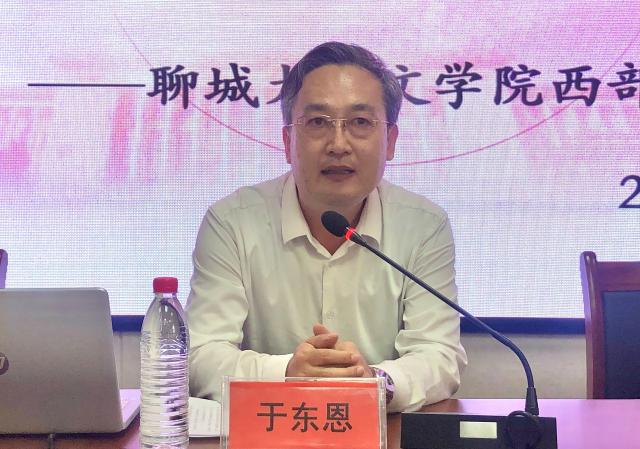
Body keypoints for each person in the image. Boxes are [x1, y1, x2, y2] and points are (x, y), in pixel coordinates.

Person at [186, 41, 467, 412]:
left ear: (390, 141)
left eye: (360, 123)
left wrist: (375, 382)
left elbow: (439, 353)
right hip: (271, 428)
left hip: (377, 430)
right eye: (318, 122)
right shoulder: (232, 223)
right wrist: (287, 373)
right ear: (288, 141)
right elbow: (199, 354)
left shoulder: (423, 226)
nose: (338, 144)